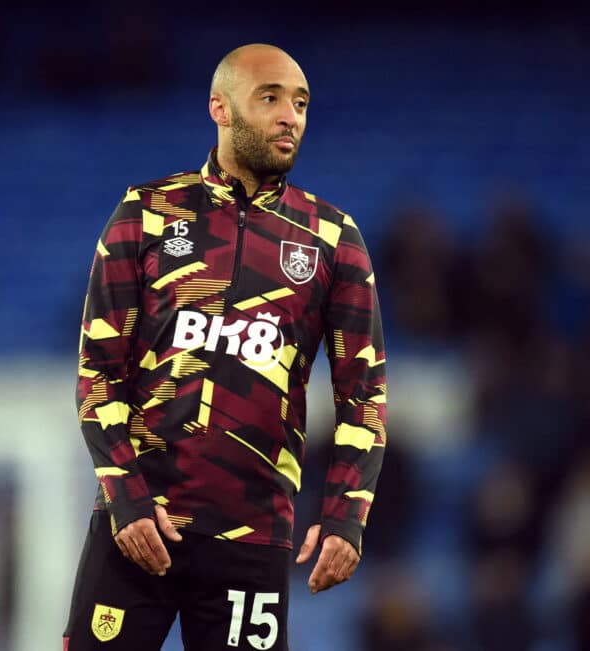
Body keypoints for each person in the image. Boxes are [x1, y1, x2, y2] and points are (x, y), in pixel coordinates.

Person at [63, 43, 388, 651]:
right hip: (140, 528)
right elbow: (97, 376)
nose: (290, 115)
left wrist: (347, 514)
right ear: (220, 107)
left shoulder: (332, 240)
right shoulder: (147, 214)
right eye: (270, 98)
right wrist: (126, 502)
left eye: (300, 103)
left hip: (254, 538)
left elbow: (363, 394)